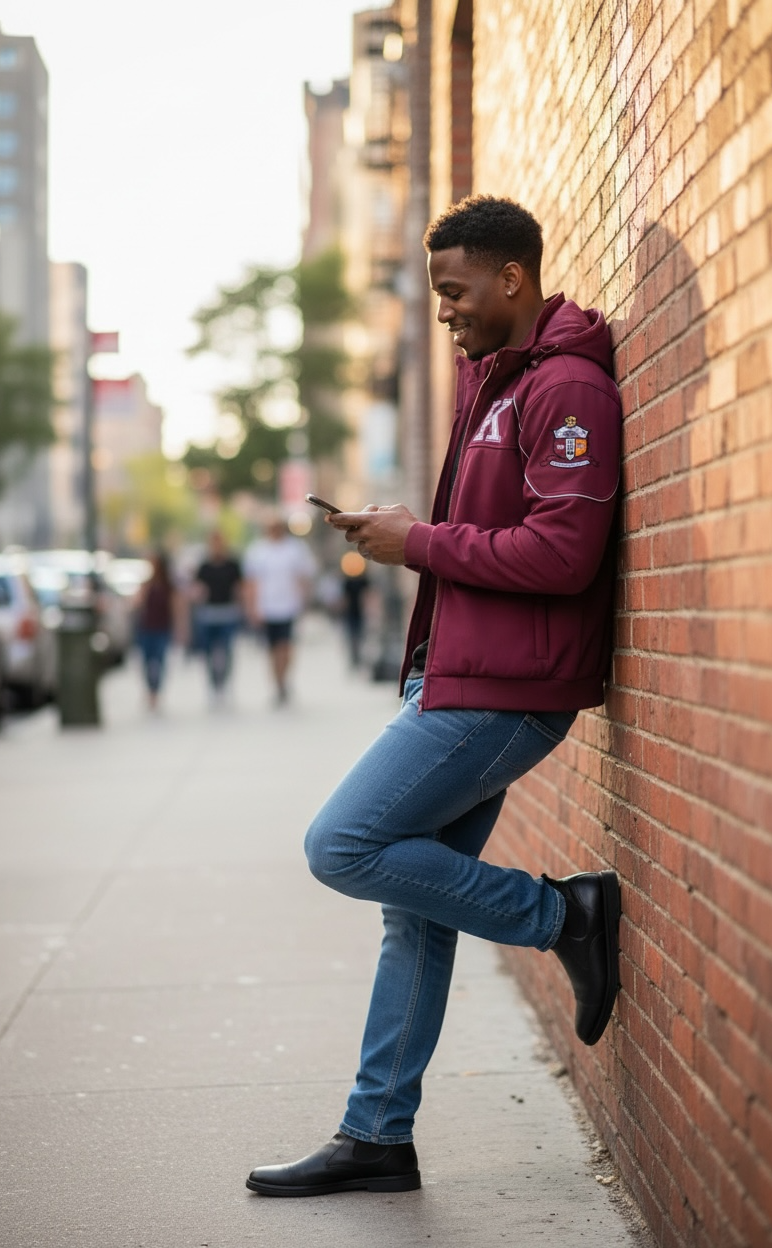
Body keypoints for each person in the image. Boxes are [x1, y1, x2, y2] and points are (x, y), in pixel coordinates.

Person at [246, 195, 623, 1197]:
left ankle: (563, 917)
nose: (445, 310)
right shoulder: (492, 381)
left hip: (504, 689)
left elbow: (564, 551)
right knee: (411, 913)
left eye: (456, 291)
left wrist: (413, 542)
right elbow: (487, 538)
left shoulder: (566, 388)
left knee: (346, 847)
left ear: (511, 278)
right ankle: (377, 1135)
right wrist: (407, 533)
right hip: (459, 672)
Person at [242, 514, 316, 705]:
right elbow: (251, 582)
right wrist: (251, 607)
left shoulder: (295, 549)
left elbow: (303, 577)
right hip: (266, 607)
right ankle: (277, 682)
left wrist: (303, 602)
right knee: (272, 648)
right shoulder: (258, 551)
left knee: (286, 646)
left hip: (289, 605)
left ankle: (284, 679)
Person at [192, 531, 243, 702]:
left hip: (228, 612)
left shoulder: (232, 565)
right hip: (208, 613)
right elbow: (197, 589)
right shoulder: (204, 567)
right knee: (208, 652)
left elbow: (239, 588)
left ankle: (224, 682)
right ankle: (213, 683)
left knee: (226, 651)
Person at [134, 551, 178, 710]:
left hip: (162, 628)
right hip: (146, 628)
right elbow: (137, 602)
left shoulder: (169, 585)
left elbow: (175, 607)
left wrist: (180, 629)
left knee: (159, 660)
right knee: (147, 661)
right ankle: (150, 690)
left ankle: (157, 690)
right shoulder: (147, 583)